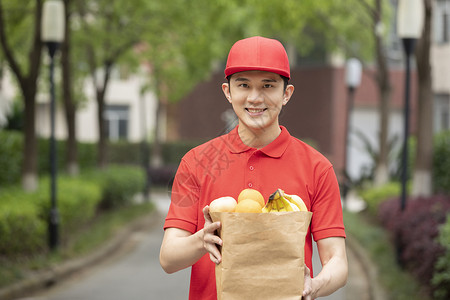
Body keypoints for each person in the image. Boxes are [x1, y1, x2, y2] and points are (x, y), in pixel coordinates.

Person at [160, 36, 348, 299]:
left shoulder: (317, 168)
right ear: (228, 92)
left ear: (286, 94)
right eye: (243, 85)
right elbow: (168, 258)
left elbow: (337, 260)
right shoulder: (195, 162)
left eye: (268, 86)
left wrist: (314, 286)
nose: (255, 97)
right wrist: (200, 241)